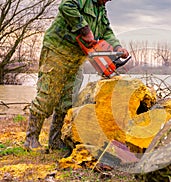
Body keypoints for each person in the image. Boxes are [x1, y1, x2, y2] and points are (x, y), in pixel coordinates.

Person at [24, 0, 129, 151]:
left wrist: (117, 46)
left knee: (68, 100)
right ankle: (31, 140)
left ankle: (55, 141)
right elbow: (66, 6)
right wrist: (84, 29)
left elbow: (106, 30)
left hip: (76, 57)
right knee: (48, 96)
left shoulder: (100, 10)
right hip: (57, 50)